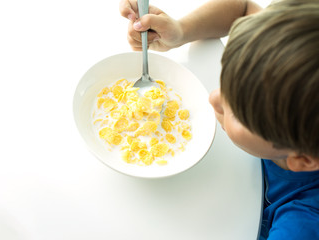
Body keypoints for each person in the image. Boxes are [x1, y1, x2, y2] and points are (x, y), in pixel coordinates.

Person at [120, 0, 319, 239]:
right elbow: (242, 8)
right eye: (225, 82)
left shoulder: (301, 224)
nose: (213, 98)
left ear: (303, 159)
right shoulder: (288, 50)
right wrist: (181, 30)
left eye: (238, 112)